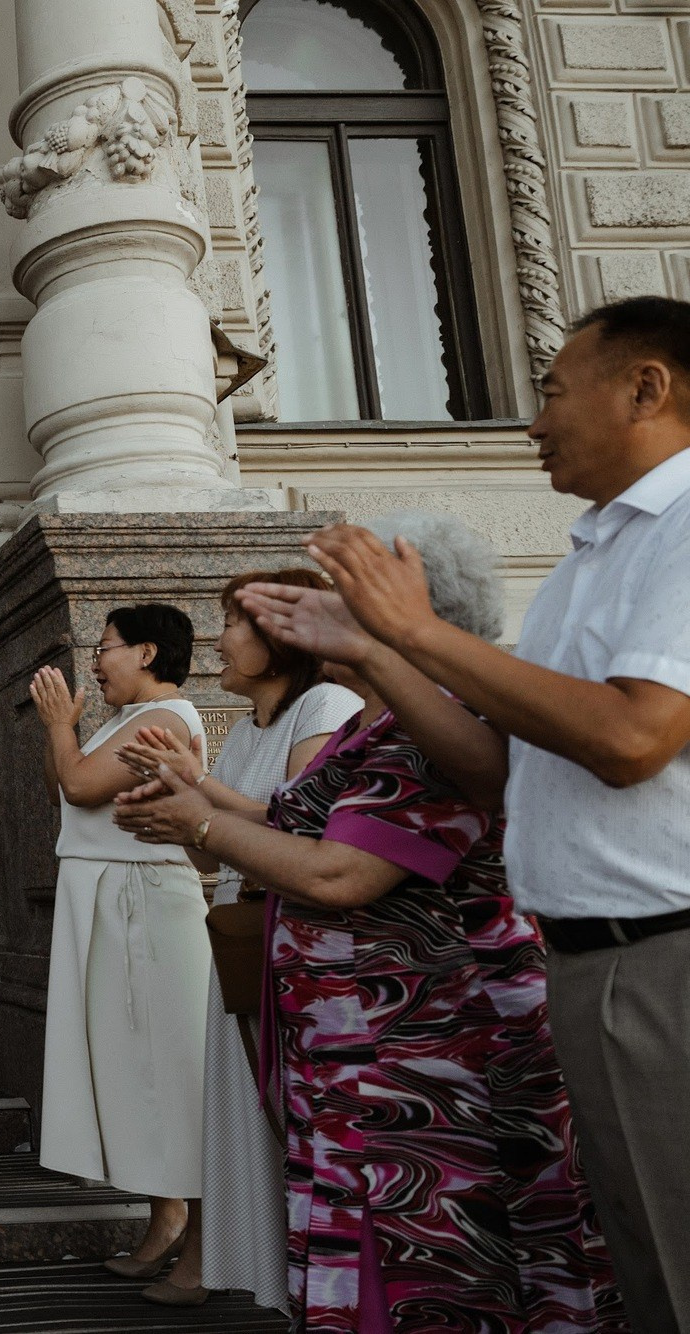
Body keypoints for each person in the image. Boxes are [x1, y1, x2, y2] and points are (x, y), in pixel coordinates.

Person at [244, 299, 690, 1334]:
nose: (530, 423)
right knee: (647, 1266)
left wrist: (407, 629)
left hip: (663, 955)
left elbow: (629, 739)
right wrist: (374, 654)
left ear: (644, 388)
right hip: (593, 962)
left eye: (547, 390)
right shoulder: (590, 556)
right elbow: (501, 773)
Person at [119, 512, 624, 1332]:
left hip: (432, 1063)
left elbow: (343, 873)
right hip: (361, 1065)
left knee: (444, 1276)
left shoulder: (445, 721)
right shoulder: (366, 721)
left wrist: (199, 824)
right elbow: (288, 830)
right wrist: (195, 800)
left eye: (348, 591)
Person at [111, 571, 361, 1311]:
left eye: (234, 623)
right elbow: (217, 855)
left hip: (296, 943)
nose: (221, 639)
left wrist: (198, 793)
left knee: (288, 1116)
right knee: (244, 1113)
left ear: (281, 636)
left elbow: (302, 826)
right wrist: (171, 808)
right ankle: (257, 1275)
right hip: (243, 937)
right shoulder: (248, 725)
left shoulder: (326, 704)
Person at [29, 603, 210, 1284]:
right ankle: (167, 1214)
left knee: (167, 1066)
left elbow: (76, 783)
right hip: (116, 902)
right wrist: (65, 735)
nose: (96, 660)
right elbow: (65, 788)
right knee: (136, 1069)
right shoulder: (127, 721)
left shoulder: (167, 717)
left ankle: (192, 1231)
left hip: (145, 910)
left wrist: (59, 728)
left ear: (148, 653)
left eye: (105, 647)